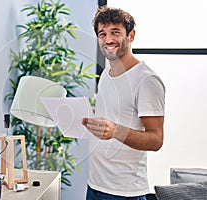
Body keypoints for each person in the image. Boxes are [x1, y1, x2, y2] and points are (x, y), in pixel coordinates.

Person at [82, 6, 165, 200]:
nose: (108, 39)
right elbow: (115, 112)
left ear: (131, 35)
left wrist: (116, 131)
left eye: (115, 32)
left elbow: (156, 140)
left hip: (124, 193)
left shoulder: (147, 80)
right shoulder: (106, 74)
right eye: (102, 34)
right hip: (94, 185)